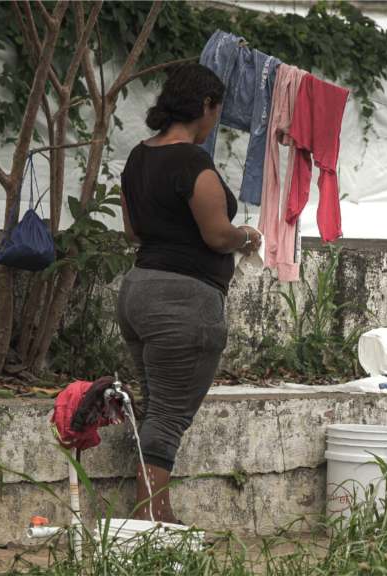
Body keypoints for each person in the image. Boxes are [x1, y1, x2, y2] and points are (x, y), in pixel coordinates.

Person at [116, 64, 261, 524]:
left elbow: (133, 232)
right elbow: (218, 236)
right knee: (169, 416)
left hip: (137, 293)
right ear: (205, 106)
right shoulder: (193, 163)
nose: (215, 121)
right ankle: (153, 520)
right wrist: (248, 237)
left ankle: (154, 514)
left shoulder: (137, 157)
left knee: (157, 408)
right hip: (183, 303)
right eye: (217, 111)